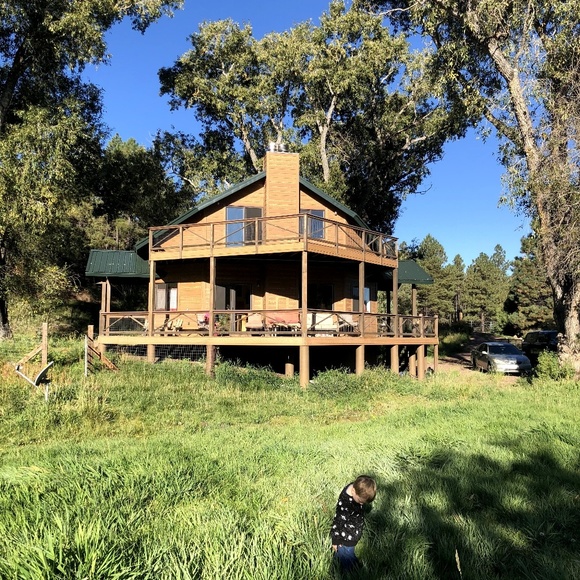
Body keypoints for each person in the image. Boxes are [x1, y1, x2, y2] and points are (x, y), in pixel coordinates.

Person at [330, 475, 377, 572]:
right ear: (353, 491)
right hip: (346, 537)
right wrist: (336, 540)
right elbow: (338, 521)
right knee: (345, 556)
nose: (361, 504)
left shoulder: (357, 488)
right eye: (360, 501)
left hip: (353, 532)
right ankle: (348, 572)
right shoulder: (345, 504)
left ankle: (353, 566)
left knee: (346, 554)